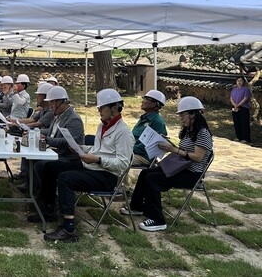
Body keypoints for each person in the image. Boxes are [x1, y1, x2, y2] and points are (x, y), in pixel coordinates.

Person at [42, 88, 134, 242]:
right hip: (93, 167)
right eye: (99, 108)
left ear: (114, 108)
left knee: (66, 178)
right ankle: (49, 209)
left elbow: (123, 164)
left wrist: (98, 159)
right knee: (51, 166)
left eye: (102, 108)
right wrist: (82, 149)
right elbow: (99, 150)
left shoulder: (123, 132)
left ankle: (69, 229)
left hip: (107, 176)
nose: (99, 111)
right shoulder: (102, 126)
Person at [122, 96, 214, 232]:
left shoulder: (203, 133)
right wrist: (168, 144)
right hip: (181, 168)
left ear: (193, 114)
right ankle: (137, 206)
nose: (180, 118)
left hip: (192, 174)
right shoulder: (189, 131)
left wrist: (174, 149)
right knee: (146, 173)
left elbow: (198, 157)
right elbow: (184, 150)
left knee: (153, 180)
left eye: (182, 115)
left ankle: (158, 219)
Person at [24, 86, 85, 206]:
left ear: (62, 102)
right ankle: (40, 194)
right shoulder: (58, 116)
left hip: (69, 158)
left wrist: (47, 140)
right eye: (50, 102)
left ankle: (48, 203)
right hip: (56, 153)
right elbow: (51, 132)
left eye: (53, 102)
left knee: (43, 165)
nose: (51, 106)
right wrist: (35, 132)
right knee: (34, 160)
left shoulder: (74, 120)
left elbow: (67, 142)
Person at [132, 90, 167, 165]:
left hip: (143, 156)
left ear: (154, 104)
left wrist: (127, 148)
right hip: (132, 151)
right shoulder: (144, 118)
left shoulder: (157, 122)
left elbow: (146, 146)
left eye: (146, 99)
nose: (142, 101)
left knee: (118, 161)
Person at [230, 77, 252, 144]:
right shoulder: (234, 89)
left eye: (241, 81)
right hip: (235, 108)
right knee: (236, 122)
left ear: (244, 82)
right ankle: (238, 137)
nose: (239, 82)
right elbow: (231, 98)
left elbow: (245, 98)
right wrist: (234, 105)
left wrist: (238, 105)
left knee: (244, 123)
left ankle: (245, 138)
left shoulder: (246, 89)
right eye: (238, 80)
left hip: (243, 108)